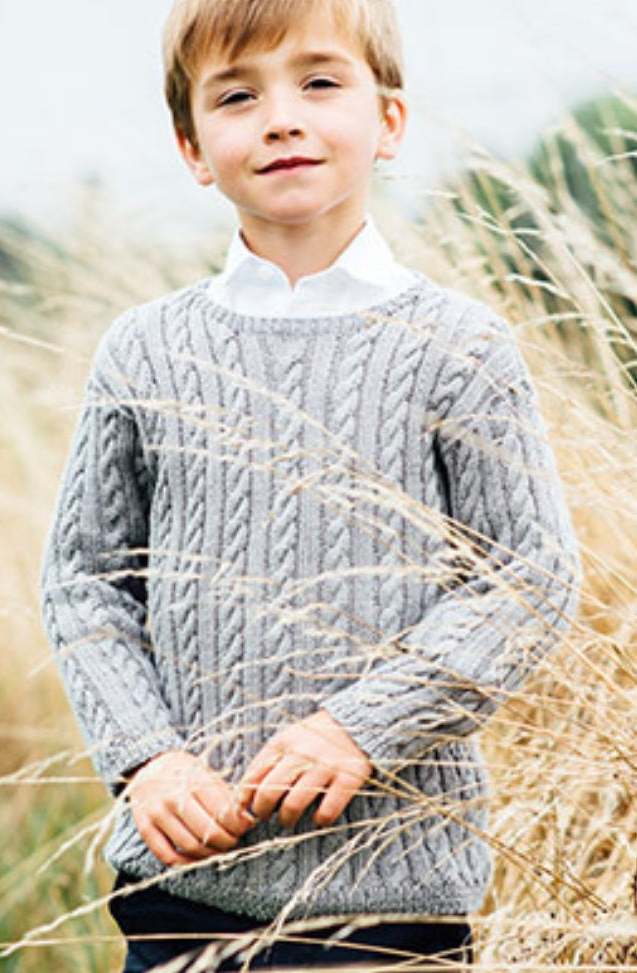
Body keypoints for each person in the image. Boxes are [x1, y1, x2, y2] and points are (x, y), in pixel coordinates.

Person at [40, 0, 581, 969]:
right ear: (193, 148)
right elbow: (85, 583)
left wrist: (359, 728)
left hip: (388, 895)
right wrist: (146, 759)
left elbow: (528, 573)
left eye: (320, 82)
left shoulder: (457, 345)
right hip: (182, 888)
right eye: (237, 95)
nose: (281, 117)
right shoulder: (145, 349)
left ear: (388, 122)